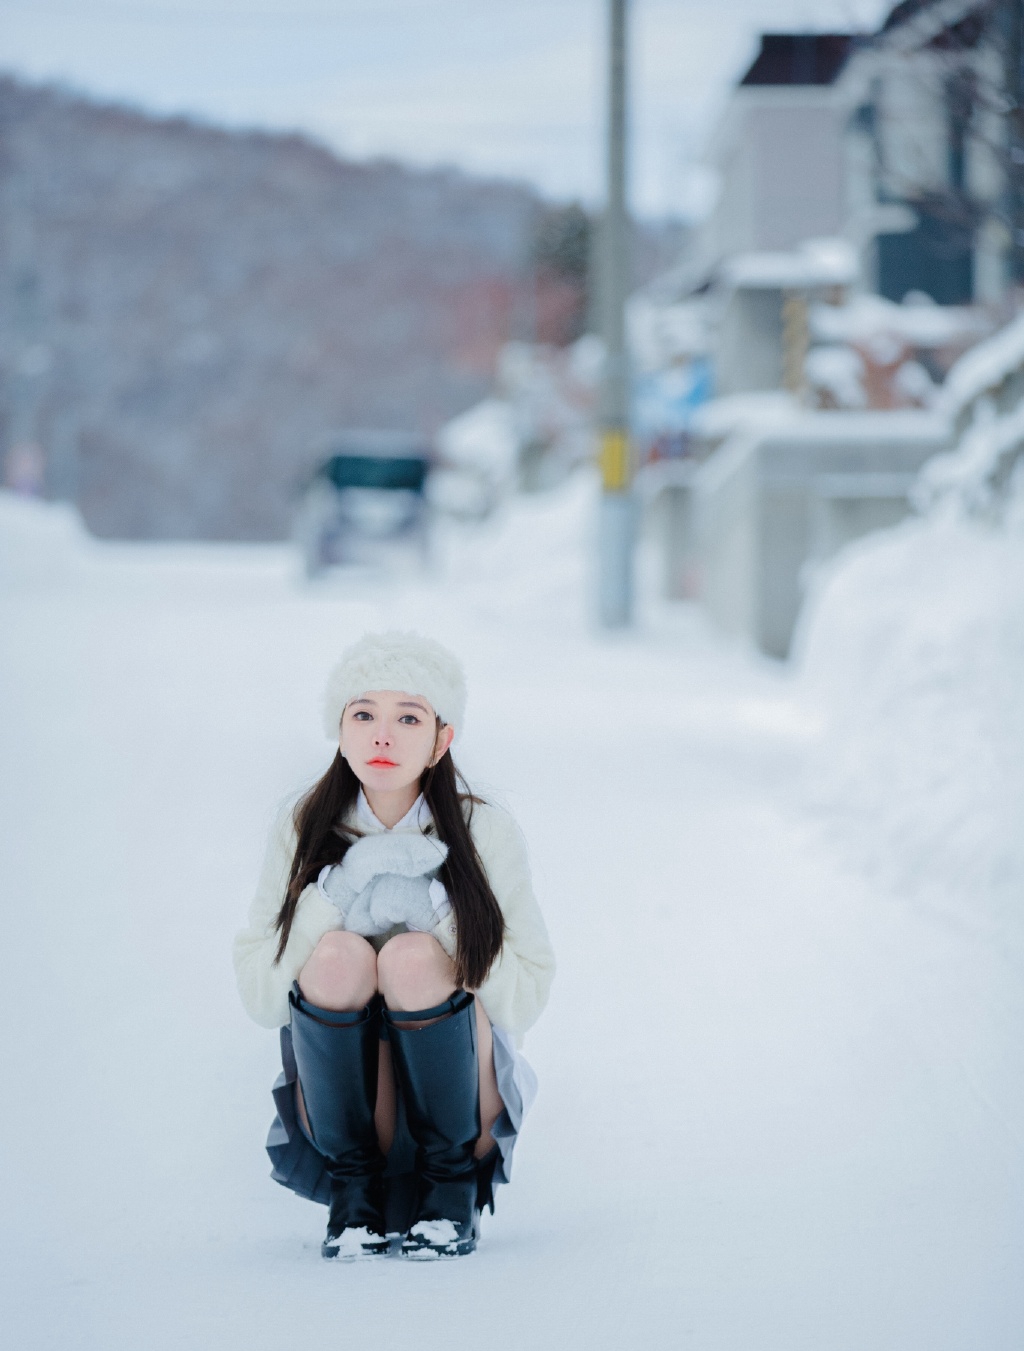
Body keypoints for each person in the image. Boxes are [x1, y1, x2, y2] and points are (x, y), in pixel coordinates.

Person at [233, 630, 555, 1260]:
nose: (383, 736)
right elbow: (261, 995)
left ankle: (449, 1193)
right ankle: (355, 1197)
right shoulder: (305, 824)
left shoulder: (480, 827)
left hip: (465, 1108)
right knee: (337, 958)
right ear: (341, 729)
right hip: (351, 1112)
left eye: (409, 717)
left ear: (442, 739)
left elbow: (525, 998)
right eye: (364, 715)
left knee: (409, 959)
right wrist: (336, 895)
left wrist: (434, 913)